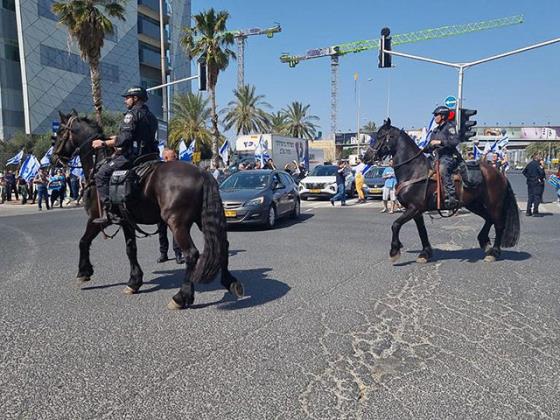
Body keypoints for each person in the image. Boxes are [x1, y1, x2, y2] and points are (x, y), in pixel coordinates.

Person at [92, 86, 158, 224]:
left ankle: (111, 212)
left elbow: (125, 140)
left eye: (127, 98)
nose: (125, 101)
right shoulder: (151, 116)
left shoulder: (131, 114)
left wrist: (103, 143)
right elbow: (139, 135)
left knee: (101, 174)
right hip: (150, 156)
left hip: (133, 156)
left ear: (135, 98)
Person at [428, 106, 461, 209]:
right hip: (436, 157)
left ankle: (451, 196)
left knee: (443, 169)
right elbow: (430, 145)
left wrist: (440, 142)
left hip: (448, 156)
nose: (435, 117)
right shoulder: (435, 131)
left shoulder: (449, 127)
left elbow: (455, 141)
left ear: (442, 116)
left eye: (436, 115)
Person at [157, 148, 185, 264]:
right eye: (174, 156)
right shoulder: (160, 171)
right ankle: (163, 254)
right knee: (161, 231)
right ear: (166, 158)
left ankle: (178, 254)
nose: (177, 157)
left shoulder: (179, 169)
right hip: (161, 206)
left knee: (175, 230)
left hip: (175, 206)